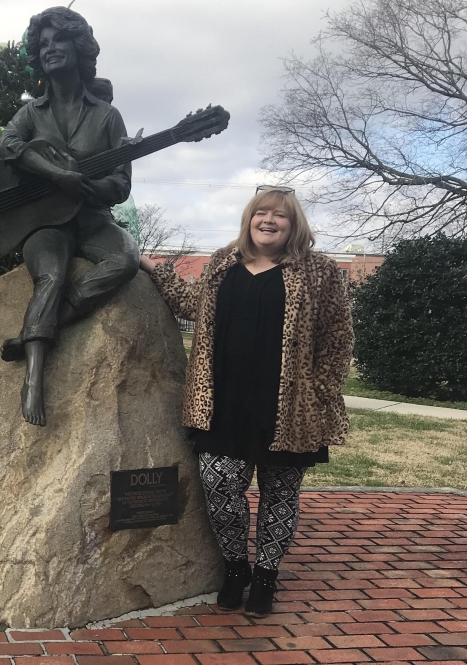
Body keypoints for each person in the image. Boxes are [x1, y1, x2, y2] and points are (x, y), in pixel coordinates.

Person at [139, 186, 353, 617]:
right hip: (223, 403)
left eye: (280, 215)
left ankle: (267, 577)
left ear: (294, 225)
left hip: (289, 409)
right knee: (220, 487)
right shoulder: (222, 262)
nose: (269, 221)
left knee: (280, 494)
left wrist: (319, 391)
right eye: (261, 213)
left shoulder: (320, 272)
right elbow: (188, 303)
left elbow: (338, 338)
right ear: (249, 218)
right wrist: (151, 267)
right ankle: (236, 568)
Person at [0, 6, 140, 426]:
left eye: (59, 40)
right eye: (43, 44)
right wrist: (57, 175)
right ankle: (34, 381)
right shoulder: (32, 112)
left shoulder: (107, 115)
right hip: (46, 223)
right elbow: (8, 144)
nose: (50, 49)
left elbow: (121, 184)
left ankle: (38, 332)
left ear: (78, 48)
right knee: (52, 274)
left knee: (126, 259)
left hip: (93, 219)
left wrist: (86, 187)